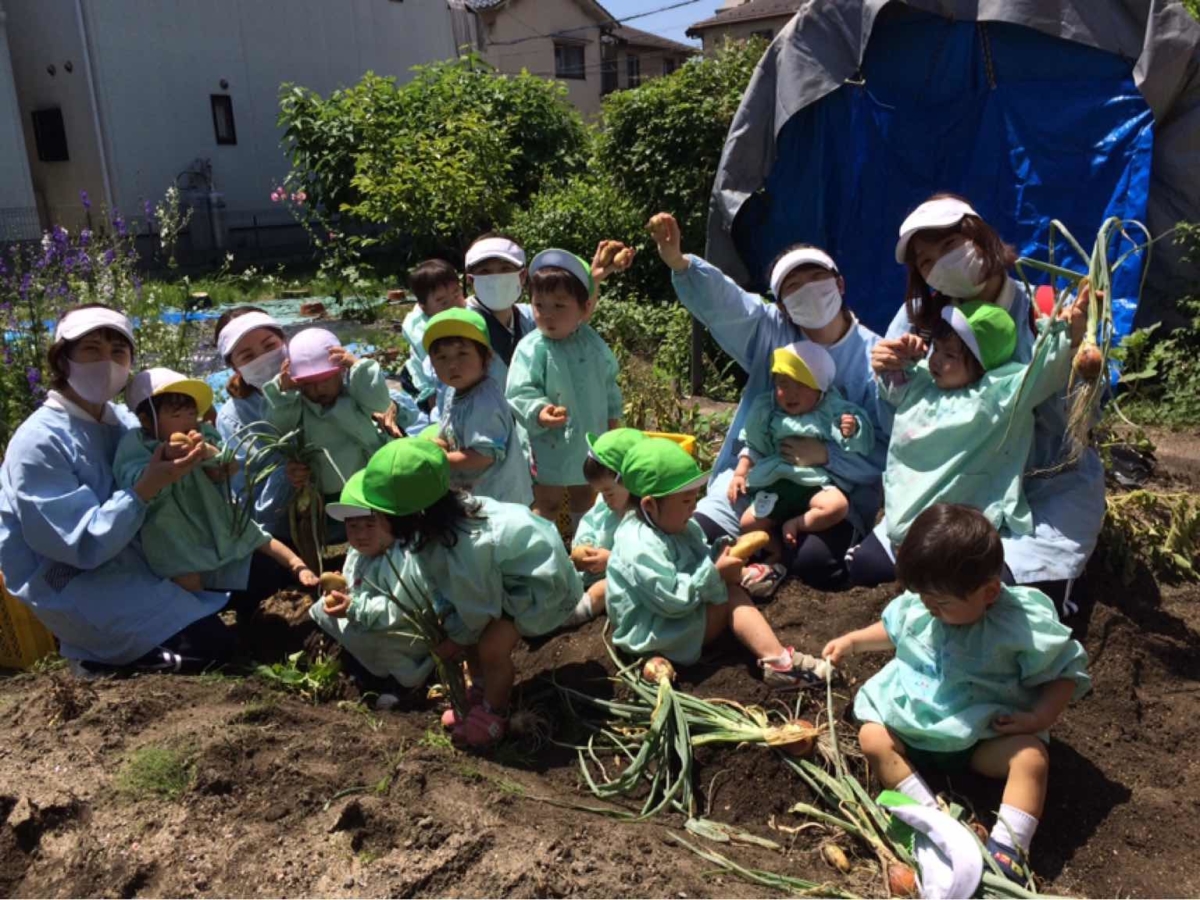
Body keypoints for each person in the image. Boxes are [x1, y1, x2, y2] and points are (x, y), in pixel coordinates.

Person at [823, 504, 1091, 883]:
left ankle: (1009, 850)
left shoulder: (1019, 625)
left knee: (1031, 759)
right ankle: (930, 817)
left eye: (941, 604)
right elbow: (895, 629)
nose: (929, 609)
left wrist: (1039, 717)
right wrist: (853, 642)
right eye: (923, 598)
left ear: (989, 592)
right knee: (872, 737)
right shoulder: (924, 605)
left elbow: (1064, 671)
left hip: (980, 740)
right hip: (911, 725)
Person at [876, 194, 1107, 611]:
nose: (940, 265)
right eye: (926, 262)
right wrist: (888, 371)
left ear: (981, 238)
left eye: (950, 246)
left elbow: (1080, 419)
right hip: (952, 479)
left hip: (1044, 486)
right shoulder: (918, 319)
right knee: (880, 568)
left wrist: (1074, 353)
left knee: (1002, 592)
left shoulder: (1047, 311)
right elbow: (898, 416)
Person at [646, 212, 886, 591]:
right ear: (783, 305)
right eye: (793, 287)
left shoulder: (874, 358)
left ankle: (772, 560)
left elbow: (886, 447)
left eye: (816, 278)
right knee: (696, 536)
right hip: (760, 482)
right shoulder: (771, 331)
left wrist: (828, 456)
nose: (808, 290)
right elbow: (729, 304)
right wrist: (679, 262)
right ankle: (757, 559)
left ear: (839, 283)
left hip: (833, 490)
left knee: (815, 564)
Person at [0, 305, 232, 673]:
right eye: (91, 349)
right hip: (76, 579)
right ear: (62, 360)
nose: (106, 362)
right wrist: (145, 488)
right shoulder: (40, 442)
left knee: (257, 581)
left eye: (118, 352)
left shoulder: (124, 421)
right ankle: (94, 660)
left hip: (140, 557)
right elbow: (77, 545)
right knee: (209, 650)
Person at [850, 298, 1085, 585]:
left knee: (947, 570)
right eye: (936, 348)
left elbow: (1040, 375)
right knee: (876, 564)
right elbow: (893, 388)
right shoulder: (922, 383)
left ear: (982, 363)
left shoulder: (994, 397)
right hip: (906, 506)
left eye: (950, 355)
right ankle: (910, 563)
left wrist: (1064, 335)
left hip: (955, 520)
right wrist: (900, 359)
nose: (936, 359)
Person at [366, 439, 582, 747]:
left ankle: (495, 711)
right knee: (470, 635)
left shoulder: (467, 546)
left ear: (408, 517)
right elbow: (448, 589)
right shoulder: (436, 528)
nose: (375, 519)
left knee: (490, 646)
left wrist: (457, 638)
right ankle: (481, 687)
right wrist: (452, 625)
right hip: (501, 579)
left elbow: (480, 608)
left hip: (540, 584)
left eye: (380, 514)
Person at [605, 438, 831, 687]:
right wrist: (715, 574)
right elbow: (672, 600)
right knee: (731, 596)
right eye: (686, 501)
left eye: (695, 499)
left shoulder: (676, 525)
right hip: (654, 633)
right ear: (650, 505)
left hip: (670, 616)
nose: (693, 508)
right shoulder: (638, 547)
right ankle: (779, 663)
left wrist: (722, 553)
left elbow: (697, 555)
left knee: (727, 586)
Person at [113, 367, 317, 594]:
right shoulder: (136, 444)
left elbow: (228, 468)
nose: (187, 422)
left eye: (191, 414)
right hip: (171, 526)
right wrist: (165, 460)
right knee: (184, 573)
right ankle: (203, 610)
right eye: (177, 416)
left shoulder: (204, 434)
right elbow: (134, 481)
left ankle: (296, 564)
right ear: (146, 421)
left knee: (255, 536)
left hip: (212, 511)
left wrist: (208, 453)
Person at [728, 340, 874, 598]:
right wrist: (741, 472)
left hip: (813, 482)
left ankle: (797, 524)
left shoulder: (831, 410)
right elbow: (754, 445)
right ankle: (775, 554)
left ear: (820, 388)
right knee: (747, 523)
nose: (790, 394)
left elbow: (859, 443)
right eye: (783, 384)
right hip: (776, 484)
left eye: (800, 385)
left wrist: (851, 429)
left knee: (836, 506)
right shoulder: (768, 410)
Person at [506, 247, 625, 531]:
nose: (548, 315)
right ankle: (540, 546)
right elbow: (519, 390)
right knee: (547, 500)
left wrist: (613, 418)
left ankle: (583, 542)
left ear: (585, 308)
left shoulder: (592, 343)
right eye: (539, 306)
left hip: (589, 436)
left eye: (559, 306)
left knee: (586, 494)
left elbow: (608, 382)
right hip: (548, 441)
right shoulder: (532, 348)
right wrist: (539, 411)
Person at [309, 469, 435, 707]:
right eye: (353, 526)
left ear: (391, 521)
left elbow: (400, 609)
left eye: (369, 524)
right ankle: (363, 667)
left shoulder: (403, 557)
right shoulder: (357, 553)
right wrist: (343, 592)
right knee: (320, 610)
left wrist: (355, 607)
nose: (361, 535)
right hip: (368, 618)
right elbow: (354, 585)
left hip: (404, 631)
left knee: (385, 644)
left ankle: (406, 682)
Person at [263, 327, 392, 506]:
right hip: (327, 496)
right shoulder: (298, 408)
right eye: (308, 383)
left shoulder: (356, 394)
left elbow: (380, 403)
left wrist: (358, 366)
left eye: (326, 379)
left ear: (341, 371)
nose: (318, 388)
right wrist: (284, 394)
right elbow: (279, 429)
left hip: (373, 482)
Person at [423, 308, 533, 506]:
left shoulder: (485, 402)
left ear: (487, 358)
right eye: (442, 358)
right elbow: (449, 431)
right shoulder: (453, 390)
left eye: (462, 354)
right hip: (476, 495)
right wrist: (437, 444)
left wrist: (441, 460)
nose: (452, 365)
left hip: (500, 500)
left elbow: (483, 456)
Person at [213, 307, 292, 539]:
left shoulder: (318, 379)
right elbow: (247, 502)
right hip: (282, 531)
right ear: (235, 367)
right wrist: (286, 476)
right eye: (248, 356)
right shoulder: (233, 419)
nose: (263, 359)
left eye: (269, 346)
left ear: (284, 341)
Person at [569, 427, 647, 622]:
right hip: (591, 575)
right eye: (600, 493)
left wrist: (612, 560)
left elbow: (645, 560)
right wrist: (584, 544)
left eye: (608, 492)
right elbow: (590, 523)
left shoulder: (645, 519)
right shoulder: (605, 505)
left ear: (632, 481)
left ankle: (576, 614)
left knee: (602, 589)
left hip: (628, 579)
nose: (604, 499)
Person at [402, 259, 466, 411]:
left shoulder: (467, 310)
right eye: (443, 302)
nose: (454, 305)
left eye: (456, 294)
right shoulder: (420, 329)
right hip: (424, 380)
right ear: (424, 308)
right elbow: (433, 373)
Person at [464, 233, 535, 370]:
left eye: (505, 269)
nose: (496, 278)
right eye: (485, 271)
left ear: (522, 276)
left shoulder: (532, 318)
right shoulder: (458, 325)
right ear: (471, 280)